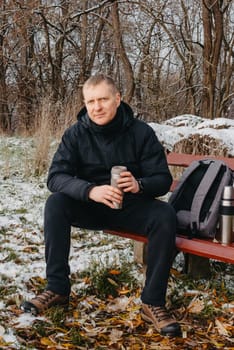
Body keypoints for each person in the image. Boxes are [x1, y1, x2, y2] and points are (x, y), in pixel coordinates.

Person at [21, 73, 181, 337]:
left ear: (117, 99)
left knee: (164, 213)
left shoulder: (141, 132)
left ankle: (153, 302)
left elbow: (163, 179)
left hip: (131, 207)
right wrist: (90, 190)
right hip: (90, 206)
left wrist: (140, 184)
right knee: (55, 204)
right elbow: (56, 177)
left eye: (103, 99)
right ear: (85, 103)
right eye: (91, 101)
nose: (96, 107)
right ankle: (57, 288)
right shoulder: (75, 134)